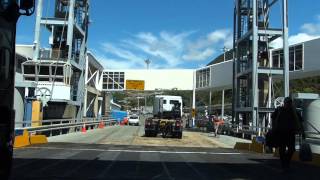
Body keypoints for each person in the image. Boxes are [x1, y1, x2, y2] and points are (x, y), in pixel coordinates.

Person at [271, 97, 304, 169]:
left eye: (290, 102)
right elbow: (273, 118)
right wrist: (273, 129)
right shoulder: (279, 110)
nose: (289, 104)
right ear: (284, 103)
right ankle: (284, 164)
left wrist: (302, 132)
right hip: (281, 133)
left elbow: (300, 122)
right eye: (287, 102)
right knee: (282, 149)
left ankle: (287, 161)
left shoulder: (294, 112)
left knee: (291, 149)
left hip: (291, 133)